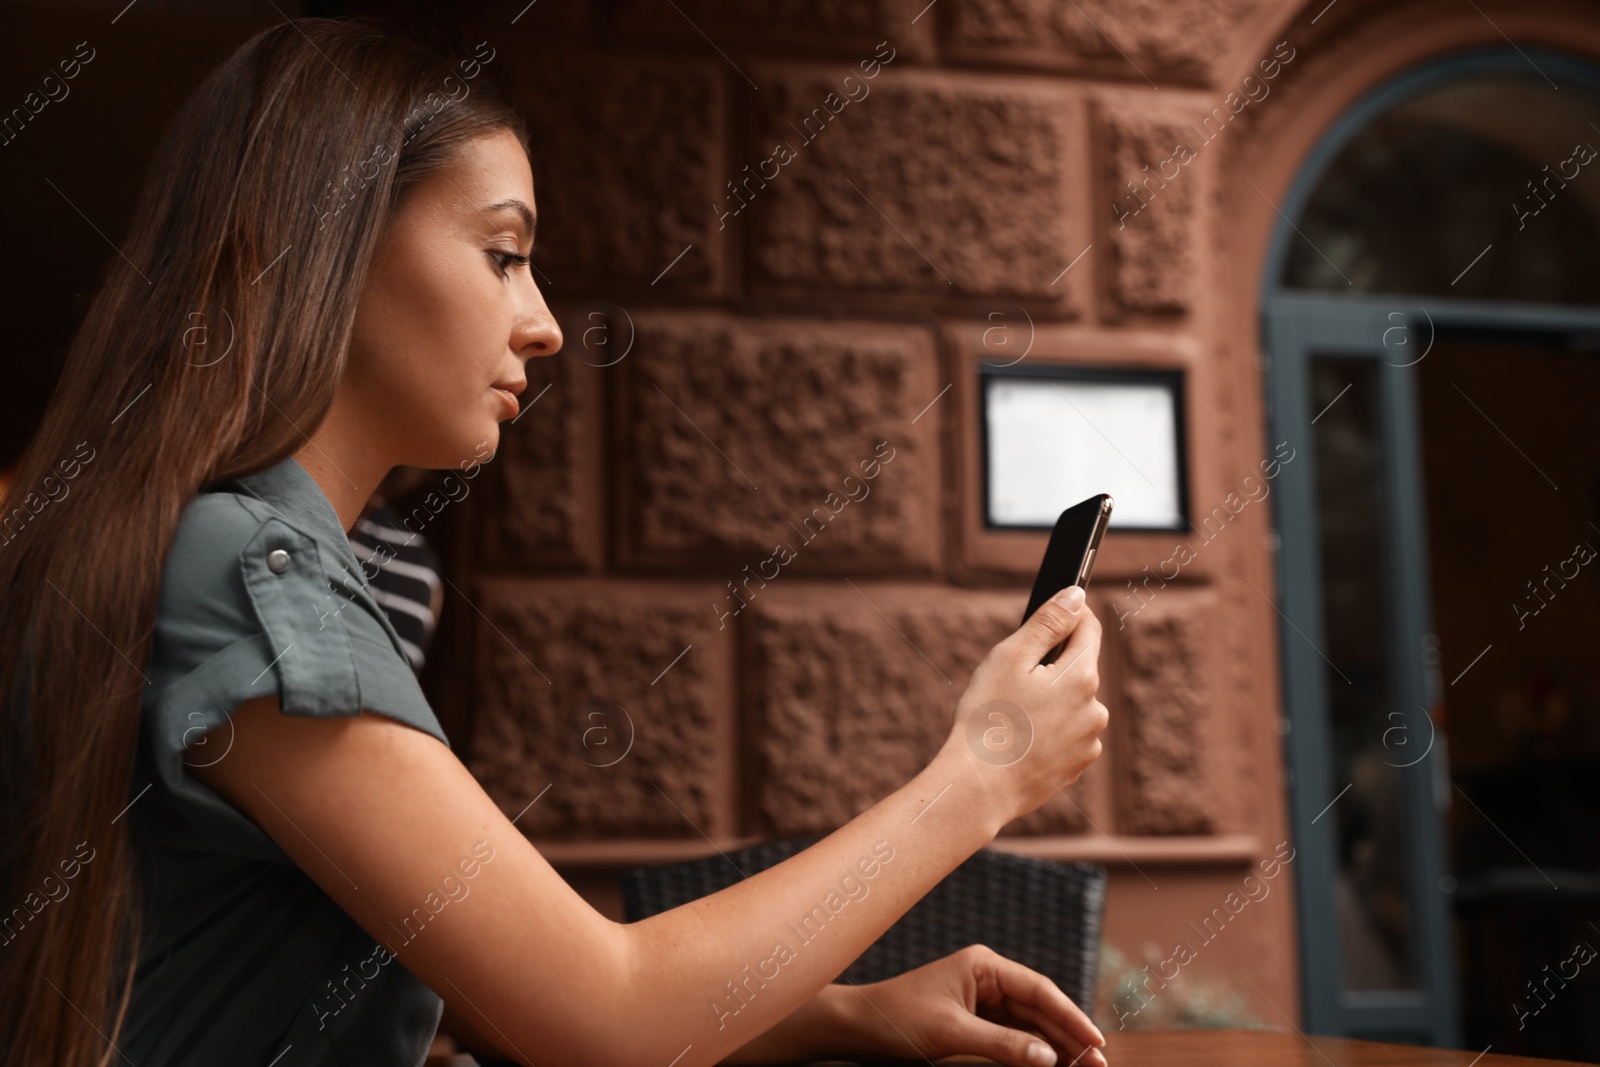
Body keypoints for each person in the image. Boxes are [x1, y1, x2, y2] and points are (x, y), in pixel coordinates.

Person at [0, 17, 1111, 1067]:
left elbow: (520, 1002)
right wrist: (982, 773)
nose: (540, 321)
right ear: (324, 248)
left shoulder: (240, 550)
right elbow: (603, 1018)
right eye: (501, 254)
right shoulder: (246, 569)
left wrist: (839, 1013)